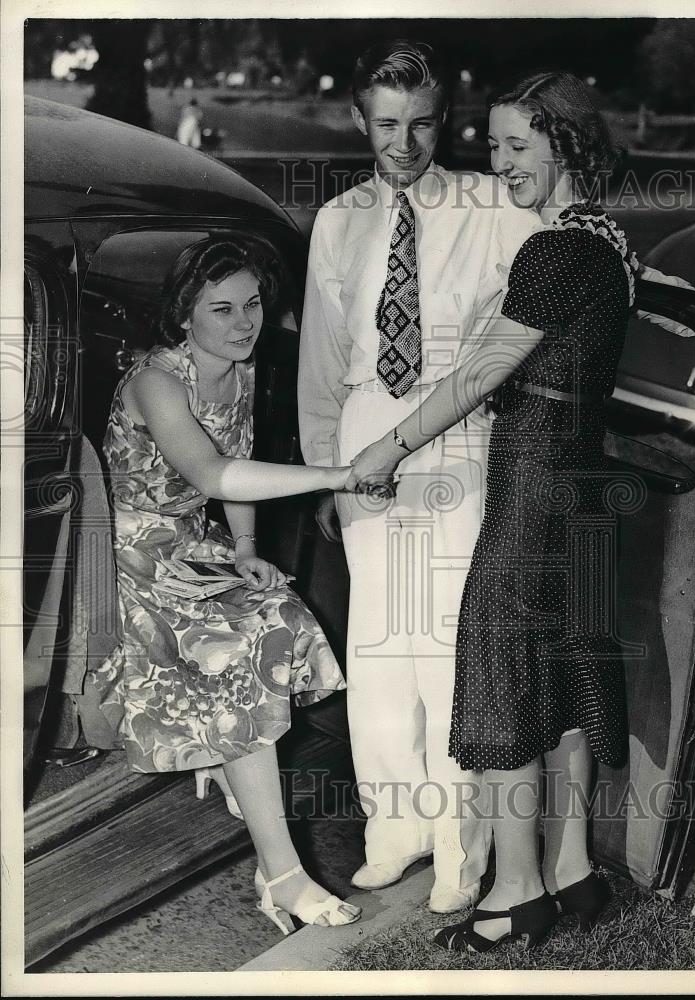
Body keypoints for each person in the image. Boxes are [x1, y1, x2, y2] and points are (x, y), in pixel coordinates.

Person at [347, 70, 646, 952]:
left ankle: (517, 893)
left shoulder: (557, 252)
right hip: (583, 485)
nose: (499, 161)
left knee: (501, 672)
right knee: (566, 674)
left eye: (519, 146)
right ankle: (574, 872)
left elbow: (481, 376)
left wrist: (387, 447)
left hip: (536, 488)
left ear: (567, 144)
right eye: (495, 144)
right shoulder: (609, 243)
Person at [297, 40, 542, 914]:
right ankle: (392, 830)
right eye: (388, 124)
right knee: (380, 643)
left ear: (448, 120)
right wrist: (329, 465)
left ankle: (459, 850)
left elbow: (569, 272)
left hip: (456, 433)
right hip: (366, 436)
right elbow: (324, 361)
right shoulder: (337, 221)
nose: (405, 143)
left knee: (444, 645)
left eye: (425, 123)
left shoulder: (490, 205)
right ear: (360, 119)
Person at [86, 236, 361, 934]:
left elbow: (235, 462)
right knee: (234, 651)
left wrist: (241, 549)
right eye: (224, 309)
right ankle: (285, 874)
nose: (246, 323)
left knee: (280, 617)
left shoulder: (238, 370)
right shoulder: (156, 381)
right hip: (122, 551)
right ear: (184, 315)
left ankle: (230, 759)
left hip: (185, 546)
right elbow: (212, 475)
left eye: (255, 304)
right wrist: (335, 476)